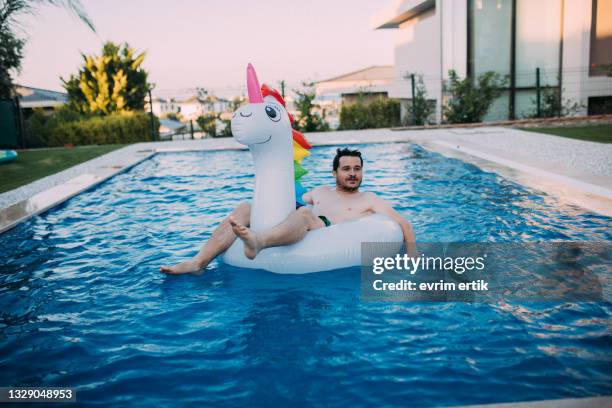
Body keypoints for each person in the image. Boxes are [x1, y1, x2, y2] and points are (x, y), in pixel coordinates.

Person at [160, 148, 416, 274]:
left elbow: (404, 224)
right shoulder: (319, 191)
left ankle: (258, 241)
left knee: (305, 214)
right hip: (300, 216)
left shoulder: (368, 199)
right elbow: (294, 201)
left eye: (357, 169)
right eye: (346, 168)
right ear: (335, 172)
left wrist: (412, 258)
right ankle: (198, 262)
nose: (352, 173)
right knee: (248, 207)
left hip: (325, 227)